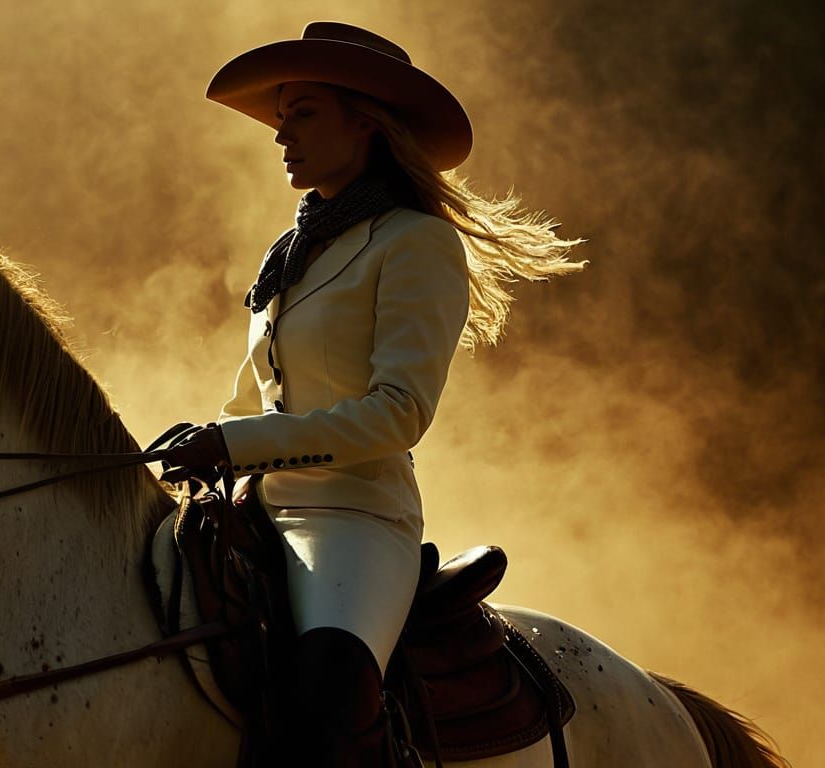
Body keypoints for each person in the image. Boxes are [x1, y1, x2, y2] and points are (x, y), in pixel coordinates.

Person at [164, 21, 587, 767]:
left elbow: (400, 413)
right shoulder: (291, 249)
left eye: (303, 113)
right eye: (281, 116)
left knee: (332, 692)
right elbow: (254, 398)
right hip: (252, 511)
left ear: (366, 122)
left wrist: (236, 445)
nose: (281, 135)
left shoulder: (416, 242)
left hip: (355, 520)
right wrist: (201, 444)